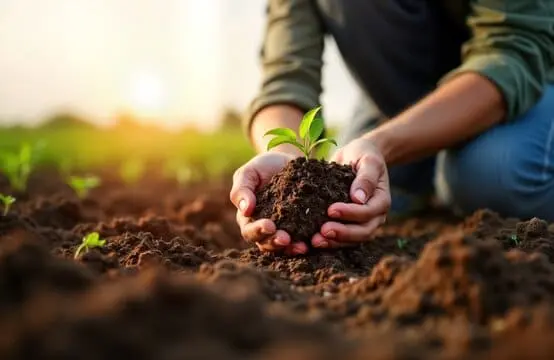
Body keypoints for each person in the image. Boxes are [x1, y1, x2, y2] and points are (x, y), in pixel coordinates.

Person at [229, 0, 554, 255]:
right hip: (401, 97)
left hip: (531, 80)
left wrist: (382, 144)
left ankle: (436, 164)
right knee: (350, 196)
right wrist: (285, 165)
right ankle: (421, 163)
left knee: (491, 174)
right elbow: (285, 78)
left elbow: (513, 50)